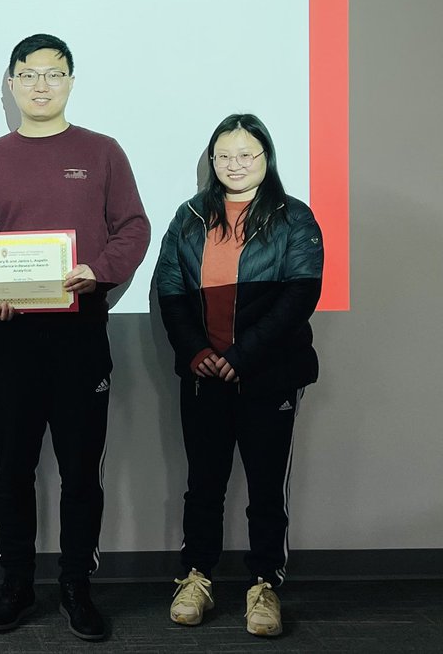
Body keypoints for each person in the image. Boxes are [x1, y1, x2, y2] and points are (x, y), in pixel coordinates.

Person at [0, 33, 150, 642]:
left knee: (80, 469)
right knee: (12, 468)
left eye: (54, 73)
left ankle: (75, 586)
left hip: (79, 336)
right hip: (11, 338)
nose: (41, 84)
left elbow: (134, 228)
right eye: (29, 74)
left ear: (70, 81)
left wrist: (99, 270)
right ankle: (15, 584)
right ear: (10, 84)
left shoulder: (103, 151)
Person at [155, 113, 323, 638]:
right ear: (212, 160)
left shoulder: (294, 218)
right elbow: (172, 291)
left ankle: (263, 585)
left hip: (268, 378)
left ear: (266, 158)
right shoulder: (188, 218)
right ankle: (196, 577)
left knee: (266, 487)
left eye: (246, 154)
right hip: (204, 376)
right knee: (203, 484)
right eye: (224, 155)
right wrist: (196, 351)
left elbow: (300, 296)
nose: (234, 164)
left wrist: (243, 355)